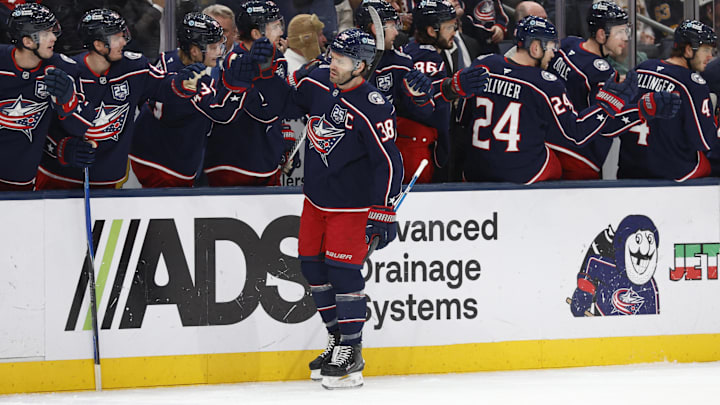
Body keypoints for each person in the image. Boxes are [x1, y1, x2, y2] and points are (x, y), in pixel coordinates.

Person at [256, 28, 403, 388]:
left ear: (361, 66)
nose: (331, 64)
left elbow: (390, 163)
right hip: (316, 200)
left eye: (340, 60)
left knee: (343, 273)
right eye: (332, 56)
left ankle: (352, 351)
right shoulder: (319, 81)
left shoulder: (372, 105)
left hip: (352, 207)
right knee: (312, 268)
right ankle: (337, 339)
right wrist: (267, 79)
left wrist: (383, 211)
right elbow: (290, 103)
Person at [459, 16, 668, 184]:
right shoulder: (545, 83)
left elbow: (462, 117)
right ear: (535, 48)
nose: (554, 53)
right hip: (522, 175)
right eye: (550, 47)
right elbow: (576, 132)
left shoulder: (483, 63)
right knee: (556, 166)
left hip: (474, 169)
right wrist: (607, 104)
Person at [36, 8, 203, 189]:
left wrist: (179, 84)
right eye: (117, 38)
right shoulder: (66, 73)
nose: (124, 42)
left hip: (108, 179)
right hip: (58, 178)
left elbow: (163, 87)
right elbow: (39, 125)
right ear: (99, 45)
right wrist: (62, 149)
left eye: (123, 35)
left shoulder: (134, 67)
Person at [128, 12, 227, 187]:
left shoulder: (167, 59)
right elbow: (220, 112)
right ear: (195, 50)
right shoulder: (196, 81)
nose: (218, 52)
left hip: (153, 152)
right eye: (213, 47)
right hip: (163, 163)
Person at [0, 3, 87, 191]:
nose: (54, 38)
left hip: (21, 182)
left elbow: (80, 126)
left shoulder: (62, 68)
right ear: (28, 41)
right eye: (46, 33)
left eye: (53, 31)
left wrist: (68, 100)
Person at [202, 0, 289, 187]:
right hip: (232, 163)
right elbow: (265, 112)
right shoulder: (236, 62)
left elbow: (278, 110)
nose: (281, 32)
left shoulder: (278, 58)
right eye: (275, 27)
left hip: (266, 161)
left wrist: (282, 139)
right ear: (257, 33)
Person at [620, 20, 719, 181]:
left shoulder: (642, 67)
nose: (710, 56)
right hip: (674, 172)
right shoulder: (692, 82)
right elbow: (705, 141)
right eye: (706, 50)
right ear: (688, 50)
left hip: (629, 169)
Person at [545, 1, 632, 179]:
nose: (625, 38)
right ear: (601, 34)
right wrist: (642, 109)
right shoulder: (602, 72)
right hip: (580, 158)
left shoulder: (569, 44)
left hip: (550, 143)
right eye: (620, 32)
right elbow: (606, 125)